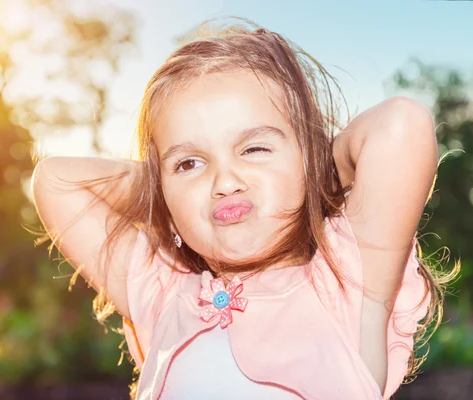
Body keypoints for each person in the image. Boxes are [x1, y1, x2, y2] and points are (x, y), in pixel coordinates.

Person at [31, 18, 457, 400]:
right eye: (189, 163)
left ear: (307, 156)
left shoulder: (347, 284)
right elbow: (55, 181)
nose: (225, 181)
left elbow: (402, 124)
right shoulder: (162, 296)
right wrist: (163, 188)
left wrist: (313, 176)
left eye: (254, 148)